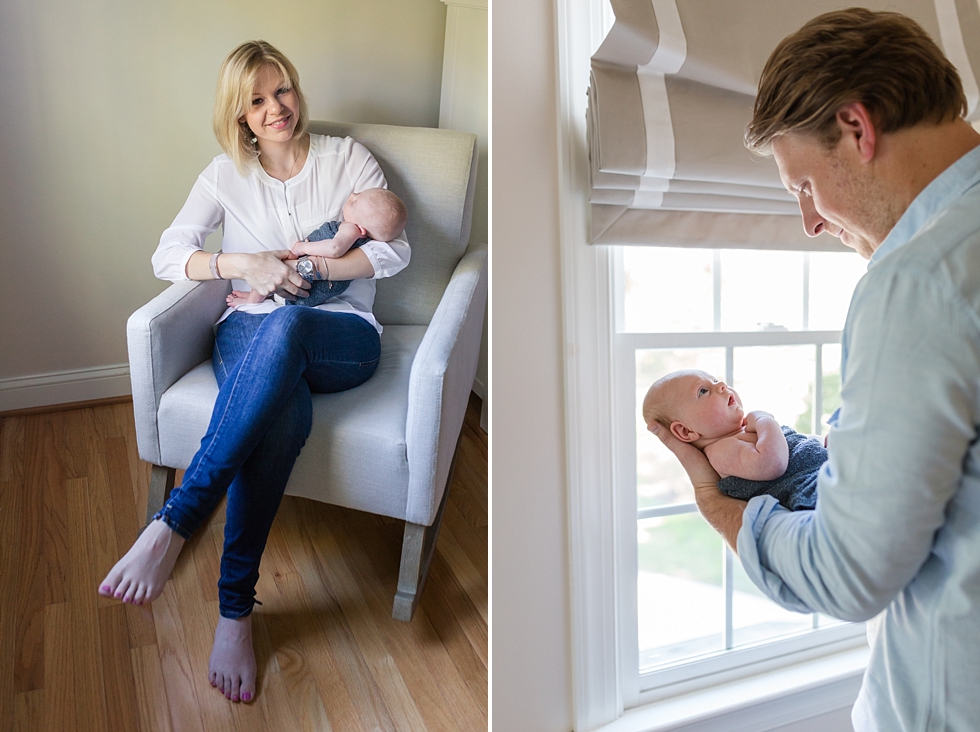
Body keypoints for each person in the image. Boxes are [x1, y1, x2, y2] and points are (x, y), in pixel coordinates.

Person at [649, 8, 980, 730]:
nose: (808, 221)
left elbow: (847, 572)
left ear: (858, 129)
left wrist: (721, 508)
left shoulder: (918, 280)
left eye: (803, 184)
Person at [97, 40, 410, 705]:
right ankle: (235, 609)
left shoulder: (346, 158)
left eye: (284, 90)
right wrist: (247, 266)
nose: (277, 109)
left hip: (341, 335)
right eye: (258, 100)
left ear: (298, 90)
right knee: (281, 410)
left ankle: (177, 520)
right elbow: (169, 254)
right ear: (239, 115)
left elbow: (395, 251)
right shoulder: (223, 175)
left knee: (290, 324)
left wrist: (313, 270)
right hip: (246, 329)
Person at [643, 370, 824, 511]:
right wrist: (765, 420)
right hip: (813, 490)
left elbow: (798, 449)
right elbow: (773, 463)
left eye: (715, 380)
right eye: (703, 391)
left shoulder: (740, 433)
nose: (722, 385)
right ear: (685, 430)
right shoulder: (720, 451)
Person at [226, 187, 407, 309]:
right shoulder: (363, 240)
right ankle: (260, 297)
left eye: (355, 202)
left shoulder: (351, 229)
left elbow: (334, 249)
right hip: (309, 293)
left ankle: (251, 303)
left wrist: (303, 246)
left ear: (362, 228)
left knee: (269, 266)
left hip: (304, 282)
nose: (352, 196)